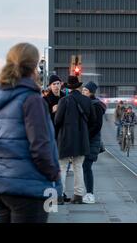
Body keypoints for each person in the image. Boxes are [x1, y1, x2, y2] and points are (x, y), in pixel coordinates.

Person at [0, 42, 62, 223]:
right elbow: (41, 145)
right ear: (35, 68)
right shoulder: (32, 99)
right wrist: (53, 174)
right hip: (28, 187)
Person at [55, 75, 97, 204]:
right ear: (79, 87)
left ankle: (60, 196)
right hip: (81, 139)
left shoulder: (63, 101)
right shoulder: (87, 101)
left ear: (68, 88)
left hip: (65, 139)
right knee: (78, 166)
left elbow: (57, 121)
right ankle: (78, 196)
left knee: (62, 167)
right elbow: (93, 120)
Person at [81, 81, 106, 204]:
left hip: (92, 141)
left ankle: (90, 193)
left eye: (85, 90)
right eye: (83, 90)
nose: (83, 92)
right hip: (86, 140)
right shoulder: (87, 103)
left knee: (86, 166)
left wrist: (85, 136)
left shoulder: (96, 106)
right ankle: (85, 192)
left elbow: (97, 126)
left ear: (90, 92)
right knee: (83, 167)